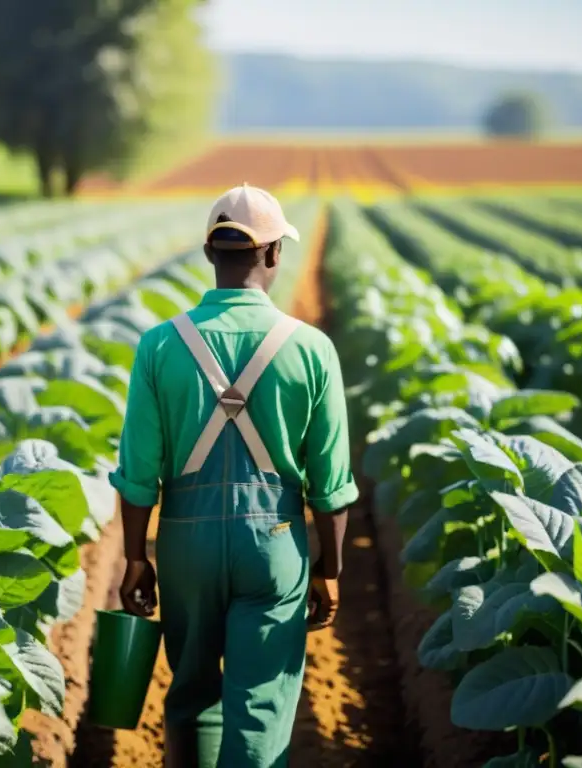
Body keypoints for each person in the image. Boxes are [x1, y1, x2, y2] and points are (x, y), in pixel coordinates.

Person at [109, 184, 358, 768]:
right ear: (273, 255)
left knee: (192, 693)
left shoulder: (160, 345)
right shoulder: (312, 349)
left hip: (185, 545)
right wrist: (330, 570)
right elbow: (332, 481)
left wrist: (136, 558)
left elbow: (138, 472)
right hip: (273, 546)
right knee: (262, 703)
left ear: (210, 254)